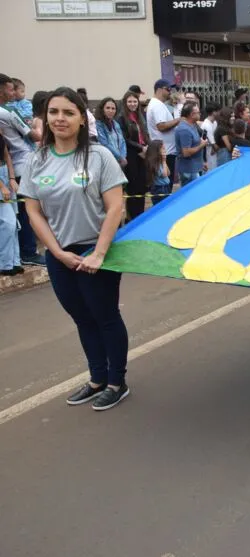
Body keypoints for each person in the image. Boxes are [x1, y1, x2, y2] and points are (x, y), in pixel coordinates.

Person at [19, 87, 131, 411]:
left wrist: (98, 253)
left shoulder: (99, 156)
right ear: (45, 117)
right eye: (53, 112)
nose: (59, 119)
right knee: (81, 317)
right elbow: (33, 210)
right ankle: (97, 379)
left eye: (68, 112)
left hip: (98, 252)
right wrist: (56, 252)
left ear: (82, 118)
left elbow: (115, 208)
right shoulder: (37, 159)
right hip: (60, 254)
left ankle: (116, 381)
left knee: (105, 316)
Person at [0, 73, 43, 266]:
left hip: (12, 166)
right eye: (10, 89)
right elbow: (33, 136)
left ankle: (19, 254)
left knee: (16, 213)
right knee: (28, 210)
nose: (14, 92)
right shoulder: (8, 112)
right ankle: (28, 251)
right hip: (23, 163)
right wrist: (40, 129)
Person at [118, 90, 149, 220]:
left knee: (141, 187)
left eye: (135, 101)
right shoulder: (121, 118)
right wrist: (140, 148)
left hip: (143, 155)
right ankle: (131, 218)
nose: (132, 104)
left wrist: (147, 147)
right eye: (129, 101)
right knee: (133, 188)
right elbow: (125, 139)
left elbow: (145, 134)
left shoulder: (141, 116)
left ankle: (140, 216)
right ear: (125, 103)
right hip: (131, 156)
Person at [146, 79, 181, 181]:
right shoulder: (157, 105)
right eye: (168, 89)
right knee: (165, 185)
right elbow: (161, 126)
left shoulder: (159, 104)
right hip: (164, 152)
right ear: (159, 90)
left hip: (166, 151)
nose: (170, 92)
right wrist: (179, 119)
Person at [0, 129, 22, 276]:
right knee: (7, 223)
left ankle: (14, 262)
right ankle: (5, 263)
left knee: (13, 224)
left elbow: (6, 155)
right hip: (1, 183)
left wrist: (12, 178)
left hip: (5, 174)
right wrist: (2, 186)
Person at [174, 102, 207, 187]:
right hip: (188, 170)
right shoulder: (184, 129)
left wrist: (201, 163)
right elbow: (186, 152)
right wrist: (201, 145)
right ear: (192, 115)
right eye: (198, 112)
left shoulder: (192, 125)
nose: (200, 114)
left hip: (195, 167)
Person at [145, 139, 171, 205]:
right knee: (162, 206)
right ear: (156, 150)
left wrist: (164, 162)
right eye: (163, 148)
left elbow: (168, 173)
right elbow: (164, 174)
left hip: (165, 186)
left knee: (166, 206)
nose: (165, 150)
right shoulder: (155, 163)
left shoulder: (161, 161)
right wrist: (164, 161)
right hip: (159, 189)